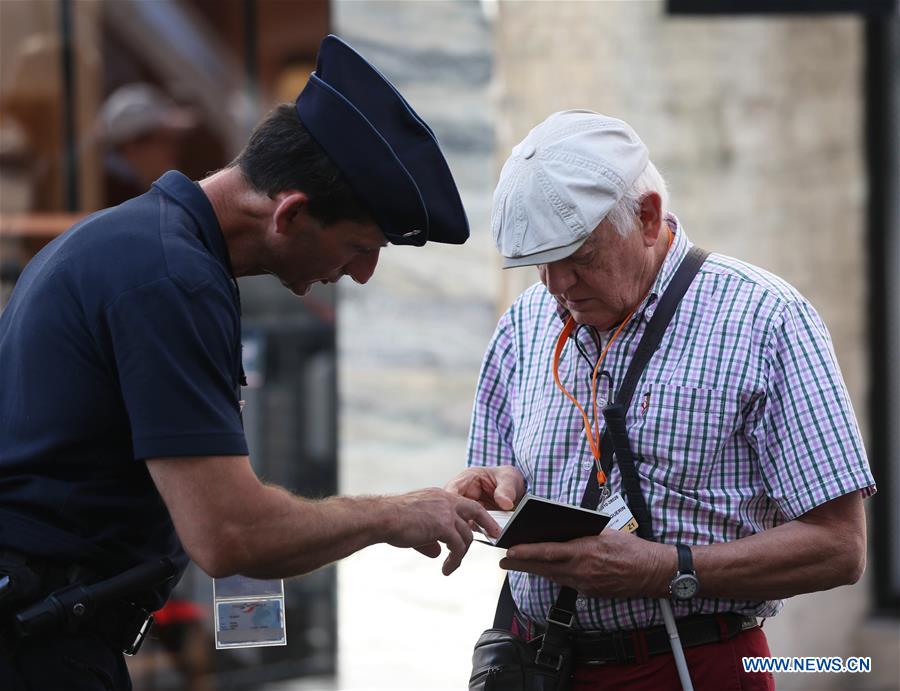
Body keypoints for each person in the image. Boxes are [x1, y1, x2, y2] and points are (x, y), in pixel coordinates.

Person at [0, 35, 498, 690]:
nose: (362, 275)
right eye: (358, 247)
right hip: (37, 648)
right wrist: (396, 514)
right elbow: (231, 534)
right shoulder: (171, 278)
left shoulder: (137, 245)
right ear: (290, 213)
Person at [447, 110, 875, 691]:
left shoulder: (766, 318)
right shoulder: (524, 322)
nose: (557, 285)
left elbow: (840, 548)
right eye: (539, 262)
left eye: (579, 256)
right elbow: (503, 478)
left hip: (698, 664)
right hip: (542, 664)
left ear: (647, 217)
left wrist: (669, 569)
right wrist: (499, 485)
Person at [97, 83, 196, 205]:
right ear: (132, 146)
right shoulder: (116, 197)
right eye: (164, 140)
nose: (174, 149)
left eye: (175, 141)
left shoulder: (135, 189)